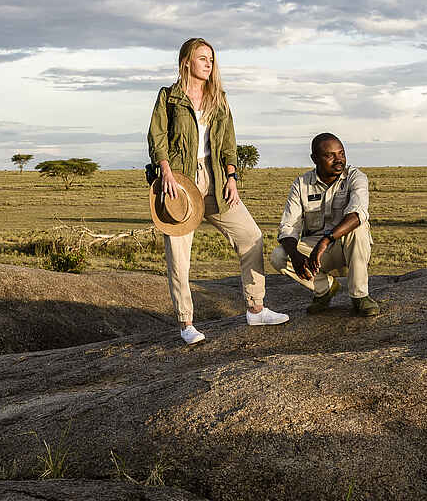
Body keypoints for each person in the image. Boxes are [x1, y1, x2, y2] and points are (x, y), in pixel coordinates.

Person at [148, 38, 289, 344]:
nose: (209, 63)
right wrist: (166, 172)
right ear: (187, 61)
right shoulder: (169, 98)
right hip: (181, 181)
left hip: (213, 176)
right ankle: (186, 324)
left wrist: (232, 176)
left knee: (250, 236)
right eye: (202, 58)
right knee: (179, 257)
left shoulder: (219, 97)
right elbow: (157, 135)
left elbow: (228, 143)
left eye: (211, 58)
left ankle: (256, 308)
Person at [271, 133, 381, 316]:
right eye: (330, 155)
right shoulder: (301, 184)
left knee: (359, 226)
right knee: (279, 256)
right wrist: (296, 256)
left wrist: (325, 241)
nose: (339, 160)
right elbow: (288, 227)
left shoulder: (355, 177)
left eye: (341, 153)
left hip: (347, 247)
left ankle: (360, 296)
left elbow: (357, 214)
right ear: (314, 158)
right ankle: (324, 289)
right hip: (315, 252)